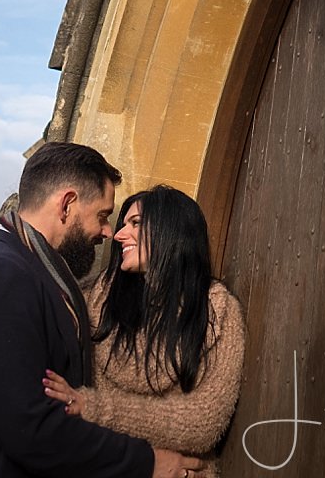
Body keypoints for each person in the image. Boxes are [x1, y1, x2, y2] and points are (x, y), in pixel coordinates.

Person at [0, 142, 203, 478]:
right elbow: (30, 427)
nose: (107, 232)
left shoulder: (35, 277)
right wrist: (147, 462)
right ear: (67, 204)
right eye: (102, 215)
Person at [42, 185, 245, 478]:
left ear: (172, 229)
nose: (119, 235)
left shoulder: (217, 311)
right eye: (123, 224)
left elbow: (204, 422)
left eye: (135, 223)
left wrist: (94, 407)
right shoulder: (91, 302)